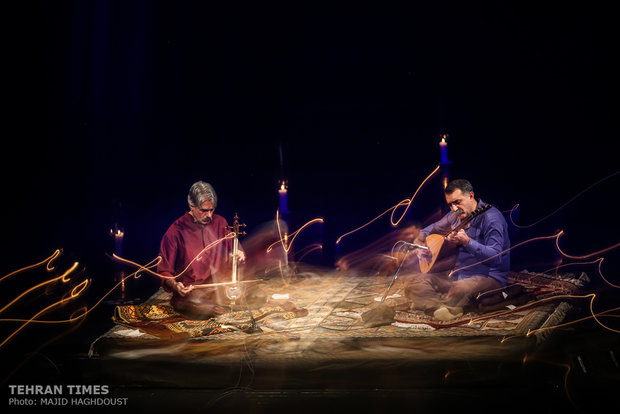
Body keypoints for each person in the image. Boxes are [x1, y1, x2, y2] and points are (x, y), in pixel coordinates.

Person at [404, 179, 510, 320]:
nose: (454, 209)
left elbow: (496, 258)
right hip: (458, 275)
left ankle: (431, 303)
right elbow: (430, 229)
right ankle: (444, 307)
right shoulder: (455, 216)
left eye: (457, 202)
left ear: (471, 195)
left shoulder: (492, 218)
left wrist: (467, 242)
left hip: (489, 277)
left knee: (458, 289)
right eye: (450, 205)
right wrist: (419, 241)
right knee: (413, 283)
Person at [157, 181, 264, 319]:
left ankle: (220, 303)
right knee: (203, 308)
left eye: (211, 210)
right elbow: (164, 271)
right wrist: (176, 285)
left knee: (258, 296)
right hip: (194, 293)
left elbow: (236, 251)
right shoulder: (175, 231)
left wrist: (238, 255)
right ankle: (212, 307)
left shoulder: (220, 223)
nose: (209, 215)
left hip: (221, 288)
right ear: (191, 206)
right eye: (204, 210)